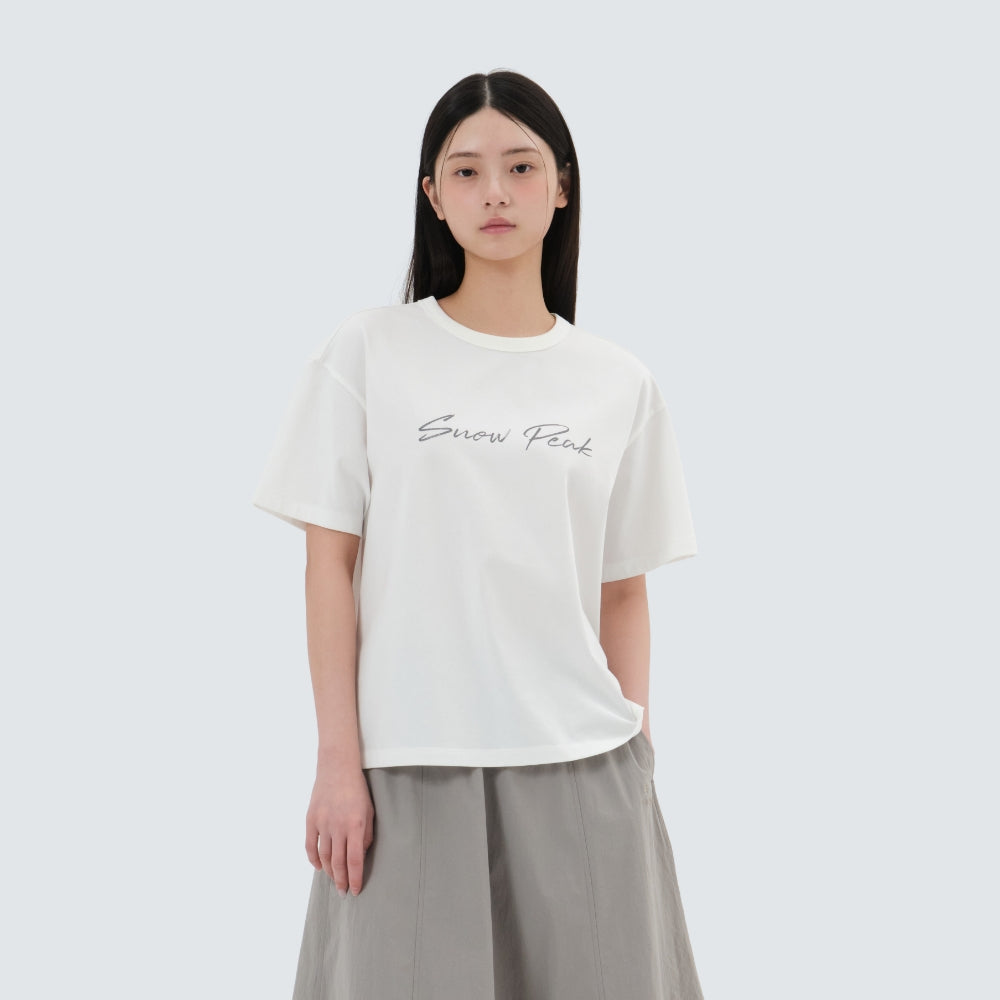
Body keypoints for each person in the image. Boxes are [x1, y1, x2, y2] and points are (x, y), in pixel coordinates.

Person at [252, 69, 706, 1000]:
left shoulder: (618, 383)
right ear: (433, 195)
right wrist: (338, 762)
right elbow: (328, 564)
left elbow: (624, 589)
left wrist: (639, 760)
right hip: (409, 769)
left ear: (562, 185)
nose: (494, 191)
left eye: (520, 166)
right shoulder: (368, 352)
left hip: (584, 768)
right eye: (465, 171)